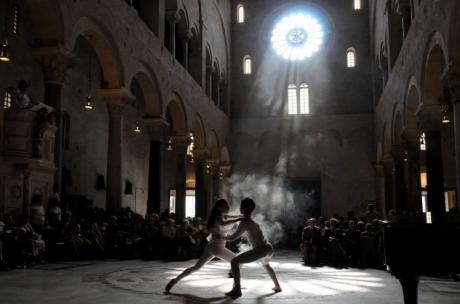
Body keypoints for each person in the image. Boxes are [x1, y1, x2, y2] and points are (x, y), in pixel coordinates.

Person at [164, 199, 243, 293]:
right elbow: (223, 223)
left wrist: (240, 216)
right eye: (225, 206)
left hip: (211, 247)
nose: (228, 207)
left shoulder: (220, 215)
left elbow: (229, 217)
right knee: (238, 261)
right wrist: (238, 219)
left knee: (196, 267)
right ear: (219, 208)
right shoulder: (218, 217)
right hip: (217, 248)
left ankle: (175, 280)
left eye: (228, 205)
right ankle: (236, 285)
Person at [218, 198, 281, 298]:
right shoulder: (251, 219)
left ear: (243, 209)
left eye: (241, 207)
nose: (239, 209)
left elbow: (233, 237)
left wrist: (220, 236)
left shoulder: (245, 222)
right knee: (266, 265)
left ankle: (237, 289)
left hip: (261, 250)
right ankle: (277, 286)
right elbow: (239, 220)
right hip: (268, 248)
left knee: (234, 261)